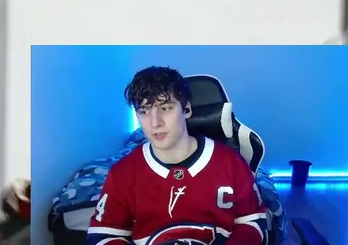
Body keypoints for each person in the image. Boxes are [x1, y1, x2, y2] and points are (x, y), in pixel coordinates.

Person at [86, 66, 268, 245]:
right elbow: (103, 236)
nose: (155, 123)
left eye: (165, 108)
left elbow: (252, 222)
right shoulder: (122, 173)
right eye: (144, 111)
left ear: (186, 109)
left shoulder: (230, 162)